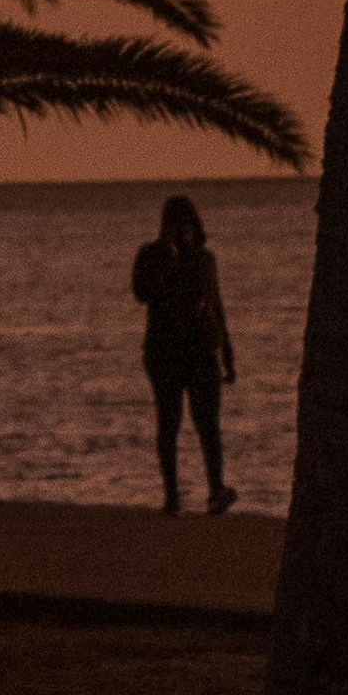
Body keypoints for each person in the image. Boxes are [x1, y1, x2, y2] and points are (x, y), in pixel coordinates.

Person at [131, 192, 238, 517]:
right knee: (169, 422)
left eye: (186, 224)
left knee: (208, 425)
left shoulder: (205, 259)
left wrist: (228, 354)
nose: (182, 230)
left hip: (202, 350)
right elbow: (141, 293)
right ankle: (172, 495)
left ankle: (216, 490)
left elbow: (216, 306)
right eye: (175, 224)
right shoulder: (151, 255)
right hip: (164, 351)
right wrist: (168, 258)